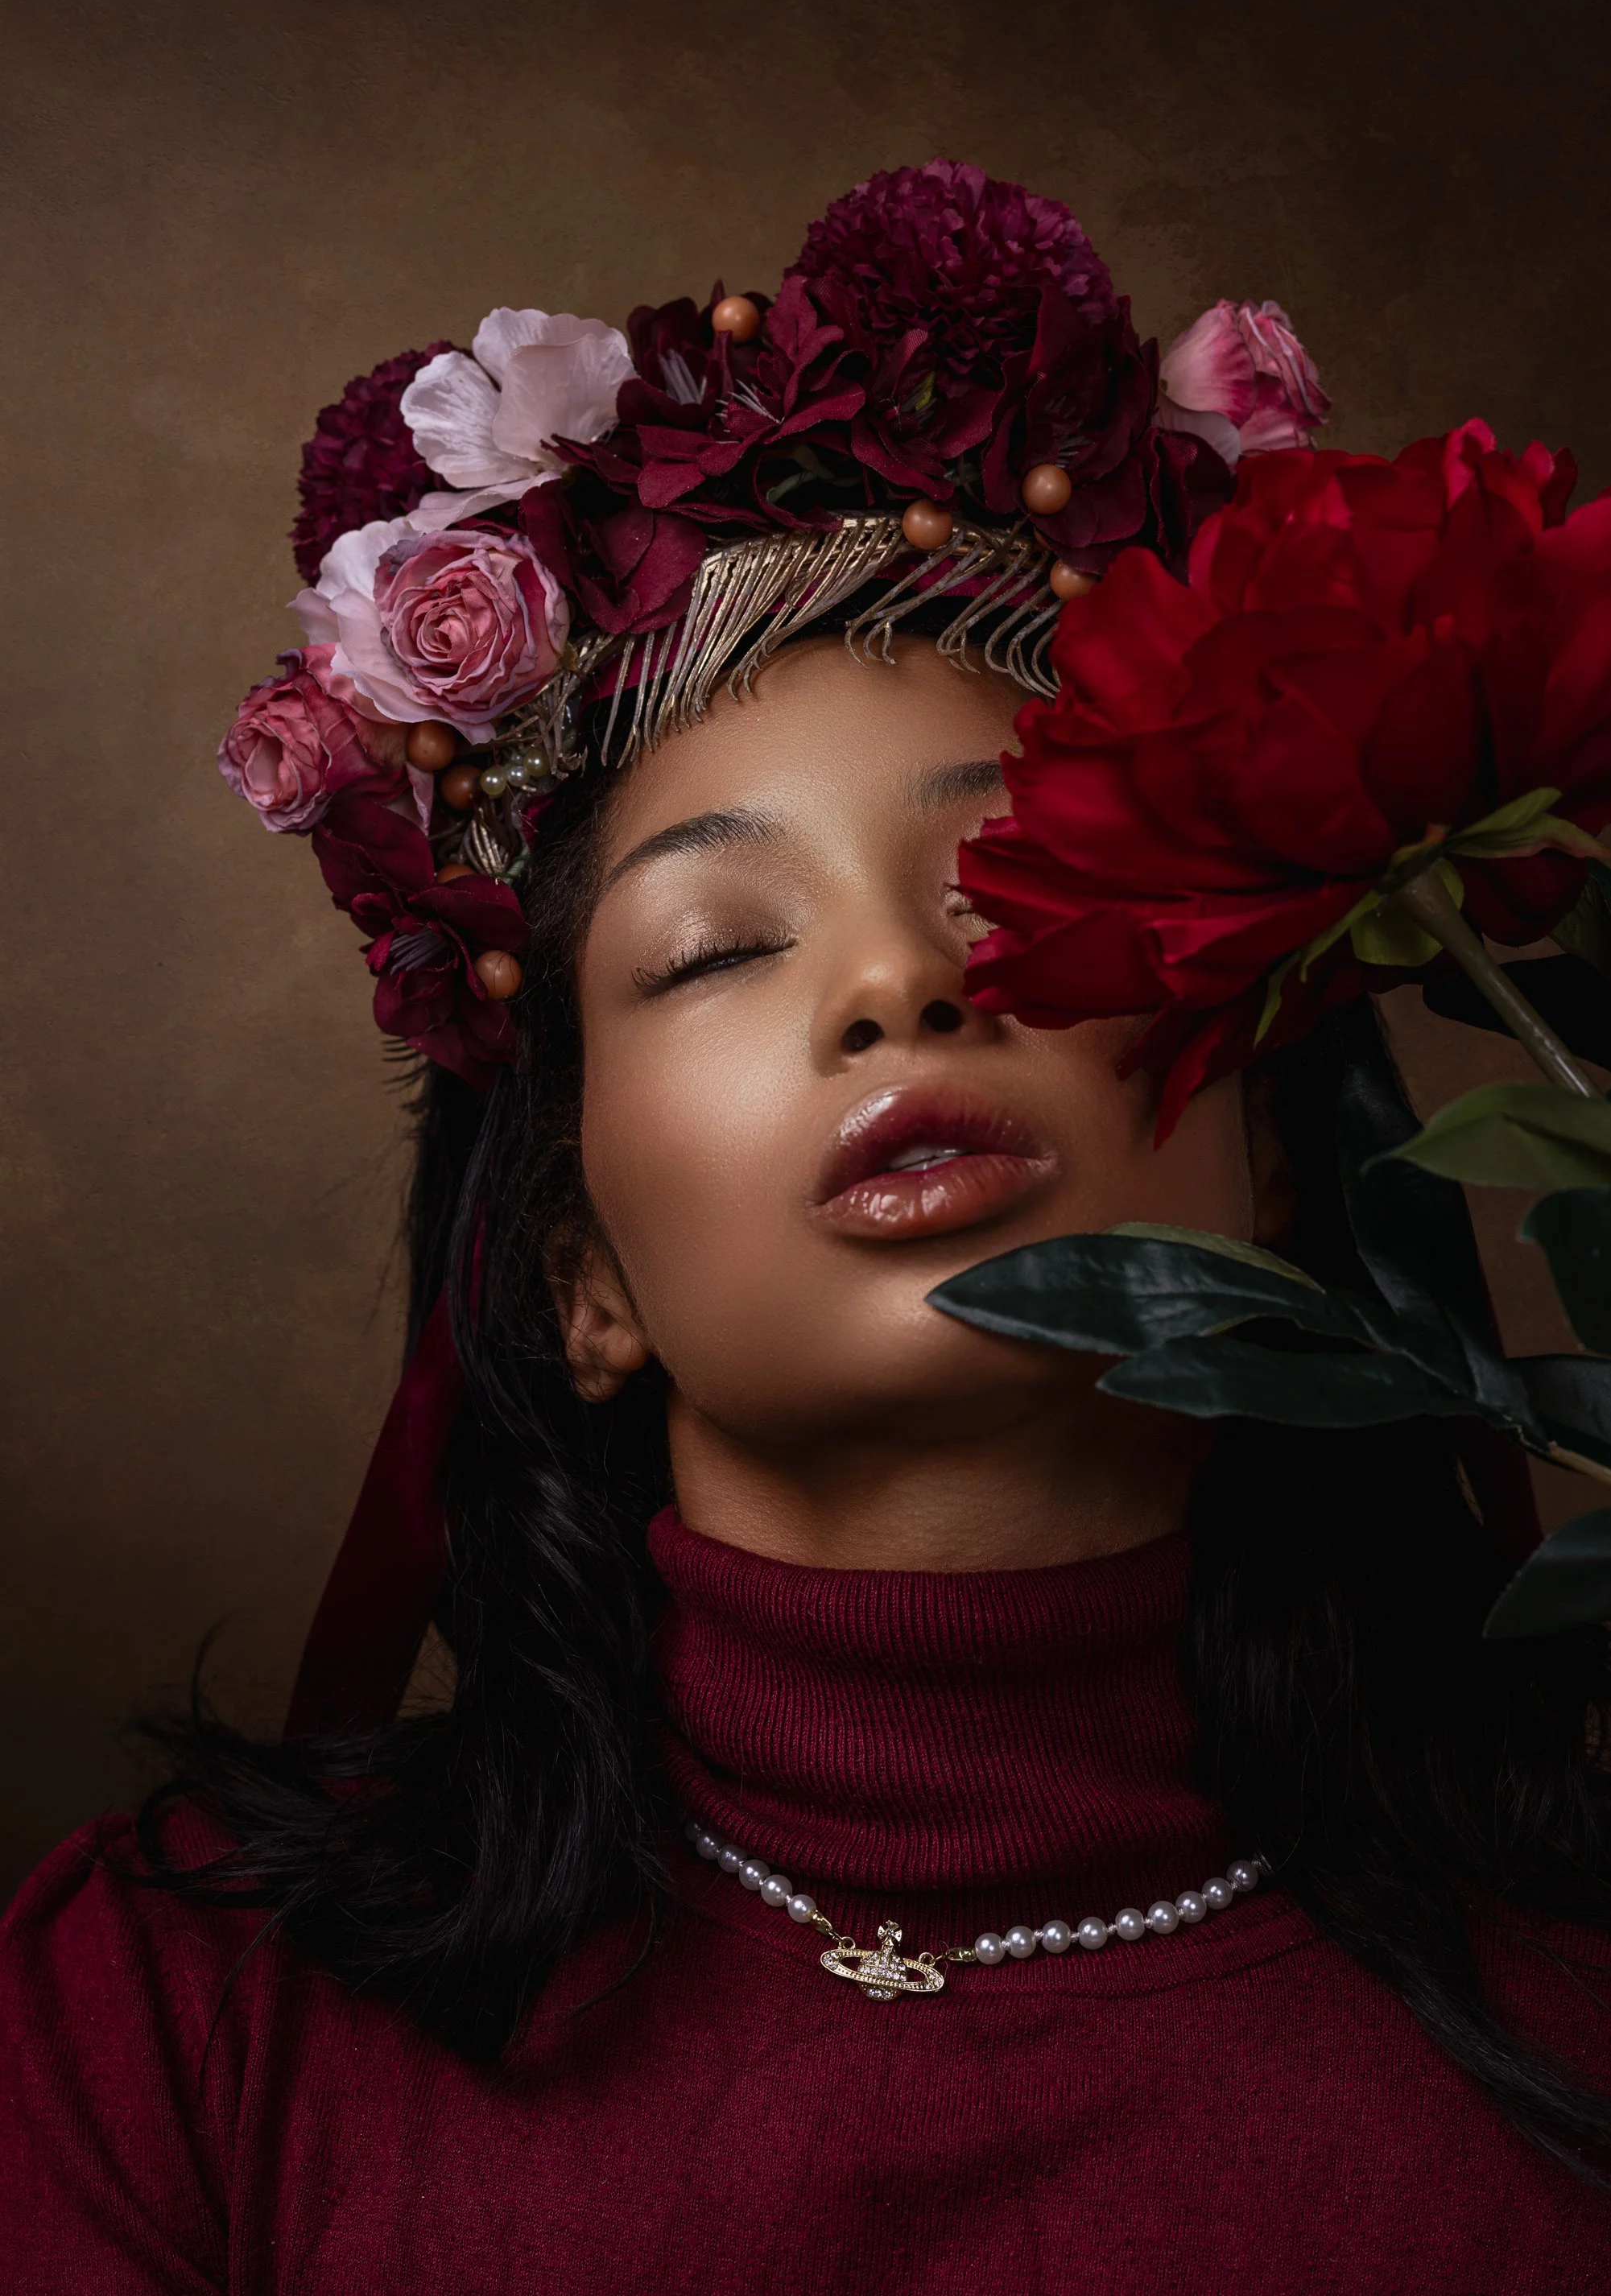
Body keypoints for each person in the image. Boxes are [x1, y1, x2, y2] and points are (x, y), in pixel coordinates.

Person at [4, 163, 1611, 2293]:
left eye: (1002, 892)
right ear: (576, 1274)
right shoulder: (177, 2018)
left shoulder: (1576, 2021)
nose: (896, 986)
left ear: (1278, 1157)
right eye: (713, 950)